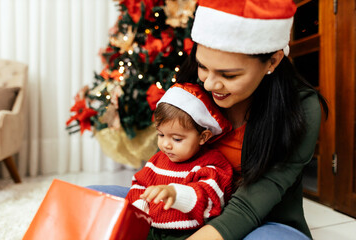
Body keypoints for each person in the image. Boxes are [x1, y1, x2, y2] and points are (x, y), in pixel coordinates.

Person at [88, 0, 329, 239]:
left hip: (257, 223)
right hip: (186, 210)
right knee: (91, 202)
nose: (210, 84)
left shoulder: (300, 108)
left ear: (272, 61)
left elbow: (251, 205)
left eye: (229, 75)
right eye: (203, 66)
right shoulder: (193, 90)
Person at [125, 82, 234, 239]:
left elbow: (210, 198)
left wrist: (175, 194)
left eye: (176, 139)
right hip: (150, 227)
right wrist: (140, 207)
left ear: (203, 137)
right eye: (161, 135)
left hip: (187, 233)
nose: (166, 144)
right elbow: (139, 184)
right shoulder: (158, 160)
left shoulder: (212, 162)